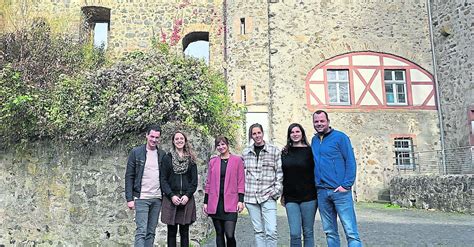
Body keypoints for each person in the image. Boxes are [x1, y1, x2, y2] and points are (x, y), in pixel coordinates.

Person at [311, 110, 362, 247]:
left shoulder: (340, 137)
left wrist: (346, 185)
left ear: (328, 121)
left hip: (340, 192)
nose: (319, 124)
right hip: (322, 192)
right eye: (316, 121)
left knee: (351, 232)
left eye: (322, 121)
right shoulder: (314, 140)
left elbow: (350, 161)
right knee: (330, 232)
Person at [125, 124, 166, 247]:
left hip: (157, 198)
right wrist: (129, 199)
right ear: (146, 135)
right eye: (152, 136)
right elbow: (129, 176)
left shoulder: (162, 154)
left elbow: (164, 177)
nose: (154, 140)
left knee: (151, 232)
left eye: (157, 137)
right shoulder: (136, 152)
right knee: (141, 231)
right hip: (141, 197)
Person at [242, 123, 283, 247]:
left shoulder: (274, 150)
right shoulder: (245, 153)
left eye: (258, 132)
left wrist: (276, 192)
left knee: (271, 231)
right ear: (251, 136)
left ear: (262, 133)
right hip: (250, 197)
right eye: (254, 133)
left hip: (268, 195)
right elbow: (241, 173)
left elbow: (280, 173)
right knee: (258, 231)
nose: (257, 135)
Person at [203, 136, 245, 247]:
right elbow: (209, 182)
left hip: (231, 202)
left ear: (227, 144)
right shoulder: (213, 161)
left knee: (230, 234)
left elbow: (241, 181)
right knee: (219, 234)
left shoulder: (237, 160)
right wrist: (206, 202)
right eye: (218, 145)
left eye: (223, 144)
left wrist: (240, 200)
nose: (221, 147)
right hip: (215, 203)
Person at [281, 123, 318, 247]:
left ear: (302, 134)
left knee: (308, 232)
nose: (295, 134)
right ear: (289, 135)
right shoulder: (285, 152)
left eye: (297, 132)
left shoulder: (310, 151)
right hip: (291, 198)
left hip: (309, 197)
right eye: (292, 132)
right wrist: (282, 194)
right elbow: (281, 175)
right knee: (294, 233)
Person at [160, 131, 198, 247]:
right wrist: (171, 195)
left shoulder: (191, 159)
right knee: (171, 232)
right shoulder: (167, 158)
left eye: (182, 138)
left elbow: (194, 181)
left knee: (184, 232)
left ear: (185, 141)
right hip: (171, 198)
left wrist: (187, 195)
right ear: (173, 141)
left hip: (186, 199)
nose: (179, 141)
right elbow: (163, 180)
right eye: (177, 139)